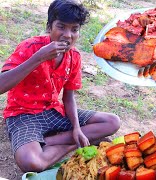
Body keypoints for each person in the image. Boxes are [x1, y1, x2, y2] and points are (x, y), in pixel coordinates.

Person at [0, 0, 120, 172]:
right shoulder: (31, 47)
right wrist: (39, 58)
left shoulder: (74, 56)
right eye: (61, 27)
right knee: (31, 163)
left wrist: (77, 128)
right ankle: (70, 142)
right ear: (50, 27)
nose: (68, 35)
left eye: (74, 29)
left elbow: (68, 97)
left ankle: (52, 141)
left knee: (112, 122)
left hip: (54, 111)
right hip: (23, 114)